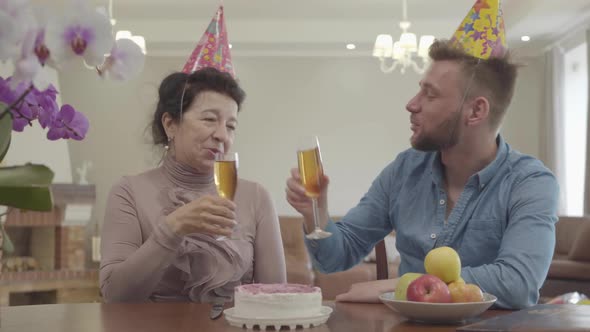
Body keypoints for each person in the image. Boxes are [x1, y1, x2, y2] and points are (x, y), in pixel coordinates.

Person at [285, 39, 559, 309]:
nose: (412, 104)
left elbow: (518, 283)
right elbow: (335, 257)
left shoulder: (530, 182)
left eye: (430, 94)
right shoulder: (404, 170)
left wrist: (401, 285)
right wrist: (316, 212)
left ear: (476, 111)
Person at [100, 67, 287, 303]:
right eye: (209, 119)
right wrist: (173, 229)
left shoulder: (256, 197)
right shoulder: (128, 192)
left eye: (231, 126)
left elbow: (276, 298)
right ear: (170, 124)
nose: (222, 135)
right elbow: (115, 296)